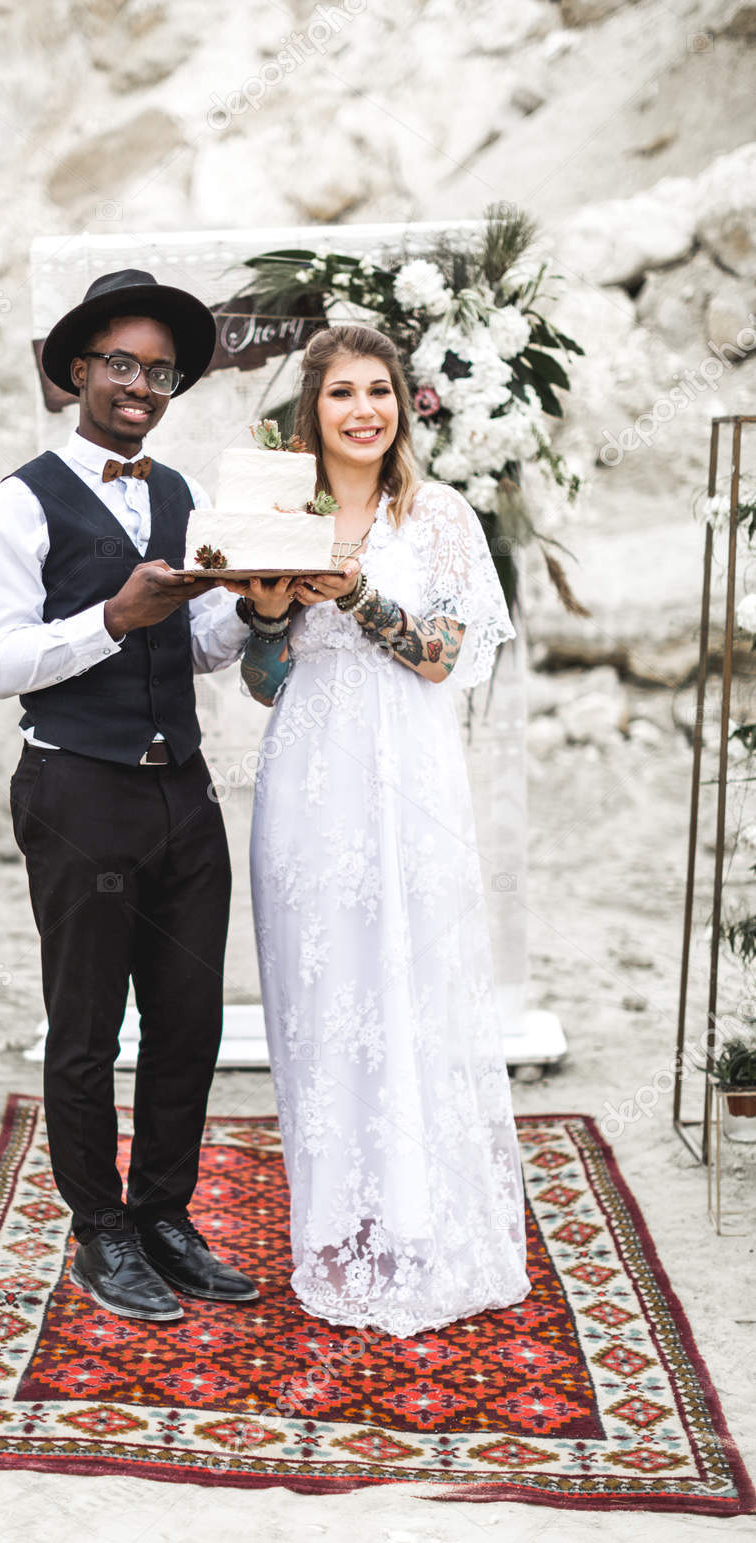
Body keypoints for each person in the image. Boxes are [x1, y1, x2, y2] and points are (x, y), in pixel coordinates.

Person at [0, 269, 272, 1324]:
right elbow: (1, 661)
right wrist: (112, 613)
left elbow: (190, 643)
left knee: (188, 1020)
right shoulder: (20, 499)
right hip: (75, 789)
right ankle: (98, 1229)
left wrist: (251, 610)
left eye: (160, 370)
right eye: (122, 364)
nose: (142, 384)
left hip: (179, 794)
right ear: (78, 370)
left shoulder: (180, 495)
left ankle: (163, 1214)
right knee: (87, 1027)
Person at [228, 323, 532, 1337]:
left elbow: (442, 655)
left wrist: (356, 593)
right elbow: (266, 683)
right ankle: (342, 1215)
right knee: (326, 986)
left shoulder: (434, 513)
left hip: (406, 770)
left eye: (379, 391)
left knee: (410, 975)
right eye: (340, 394)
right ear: (309, 410)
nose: (362, 410)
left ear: (402, 405)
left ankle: (420, 1211)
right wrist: (269, 615)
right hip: (309, 772)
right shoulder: (284, 509)